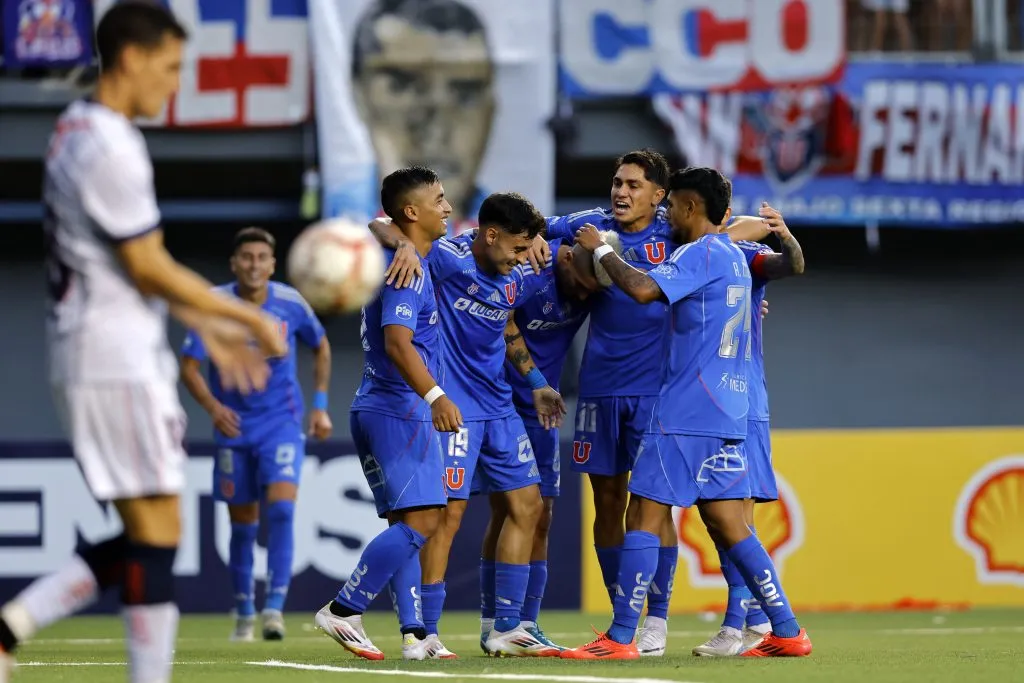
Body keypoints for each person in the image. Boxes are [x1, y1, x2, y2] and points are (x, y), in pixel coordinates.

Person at [0, 4, 285, 682]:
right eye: (170, 66)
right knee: (157, 532)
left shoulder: (74, 127)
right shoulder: (110, 146)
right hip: (112, 357)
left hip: (100, 350)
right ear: (131, 58)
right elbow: (147, 263)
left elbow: (131, 267)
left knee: (152, 531)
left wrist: (207, 323)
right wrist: (243, 319)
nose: (176, 83)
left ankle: (11, 630)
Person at [561, 167, 812, 660]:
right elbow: (782, 265)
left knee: (643, 513)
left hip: (686, 410)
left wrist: (602, 250)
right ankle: (787, 629)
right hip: (730, 409)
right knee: (730, 523)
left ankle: (621, 637)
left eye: (672, 205)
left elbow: (641, 290)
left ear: (691, 207)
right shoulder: (736, 258)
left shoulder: (700, 253)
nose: (667, 214)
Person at [367, 193, 566, 657]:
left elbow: (507, 324)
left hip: (500, 406)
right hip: (454, 407)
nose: (522, 258)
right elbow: (378, 223)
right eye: (517, 248)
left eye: (527, 249)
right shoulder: (447, 258)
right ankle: (425, 633)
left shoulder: (517, 271)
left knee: (529, 505)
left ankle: (505, 627)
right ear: (490, 235)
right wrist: (402, 244)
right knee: (447, 516)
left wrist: (536, 382)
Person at [315, 167, 458, 661]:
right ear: (413, 211)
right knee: (424, 520)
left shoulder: (403, 254)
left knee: (408, 523)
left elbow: (378, 221)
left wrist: (396, 236)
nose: (448, 208)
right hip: (399, 409)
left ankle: (415, 634)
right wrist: (437, 396)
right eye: (439, 200)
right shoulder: (406, 271)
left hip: (378, 405)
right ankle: (344, 608)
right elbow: (399, 344)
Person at [179, 228, 333, 642]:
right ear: (234, 263)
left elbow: (320, 345)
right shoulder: (215, 304)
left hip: (281, 423)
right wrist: (214, 408)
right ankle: (244, 610)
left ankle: (274, 610)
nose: (254, 264)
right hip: (235, 428)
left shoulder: (290, 303)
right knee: (243, 525)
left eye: (262, 257)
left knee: (281, 511)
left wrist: (320, 405)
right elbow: (189, 366)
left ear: (272, 264)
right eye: (246, 257)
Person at [474, 234, 618, 653]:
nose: (584, 295)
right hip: (502, 402)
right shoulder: (532, 272)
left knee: (542, 513)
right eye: (581, 284)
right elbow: (503, 321)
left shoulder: (593, 275)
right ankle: (494, 621)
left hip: (543, 410)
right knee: (509, 509)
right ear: (567, 258)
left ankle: (525, 623)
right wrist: (535, 380)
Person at [693, 207, 805, 657]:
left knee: (735, 516)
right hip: (706, 403)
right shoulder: (688, 254)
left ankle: (741, 623)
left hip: (742, 400)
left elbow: (783, 254)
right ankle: (754, 619)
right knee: (719, 518)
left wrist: (783, 233)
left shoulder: (740, 250)